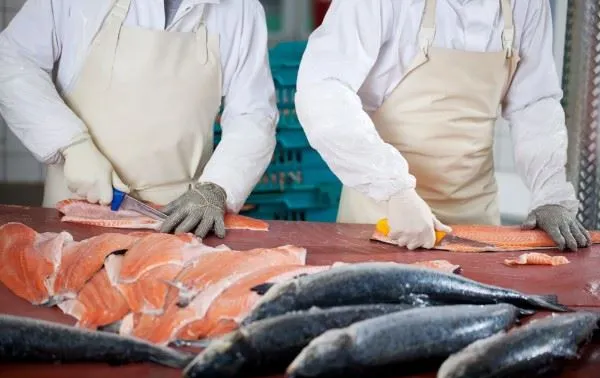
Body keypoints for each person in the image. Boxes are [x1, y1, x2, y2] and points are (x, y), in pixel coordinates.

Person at [295, 0, 591, 251]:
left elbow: (533, 103)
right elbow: (323, 89)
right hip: (383, 214)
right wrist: (393, 191)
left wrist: (550, 191)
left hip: (475, 217)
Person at [0, 0, 278, 239]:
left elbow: (252, 115)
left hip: (177, 222)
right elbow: (11, 60)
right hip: (76, 208)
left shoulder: (241, 9)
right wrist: (72, 145)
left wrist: (218, 186)